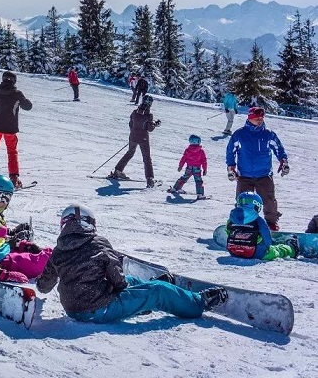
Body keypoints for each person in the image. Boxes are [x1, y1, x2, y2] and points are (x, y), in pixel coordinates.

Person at [36, 204, 228, 323]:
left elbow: (43, 287)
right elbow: (118, 281)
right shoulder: (97, 242)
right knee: (158, 291)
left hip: (73, 310)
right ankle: (198, 303)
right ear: (89, 223)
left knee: (133, 280)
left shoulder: (58, 251)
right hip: (99, 309)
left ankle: (145, 296)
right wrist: (124, 288)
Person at [226, 106, 288, 231]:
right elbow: (230, 151)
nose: (259, 120)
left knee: (268, 199)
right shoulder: (239, 134)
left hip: (264, 174)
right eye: (256, 118)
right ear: (250, 118)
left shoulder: (268, 134)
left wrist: (283, 161)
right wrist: (231, 167)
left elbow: (278, 148)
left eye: (261, 118)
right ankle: (241, 221)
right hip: (244, 175)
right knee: (243, 200)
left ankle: (271, 223)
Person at [223, 192, 299, 260]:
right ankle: (292, 250)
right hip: (257, 253)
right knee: (277, 251)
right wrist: (270, 245)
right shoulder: (258, 220)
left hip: (234, 252)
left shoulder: (231, 219)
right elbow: (267, 240)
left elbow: (228, 232)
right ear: (256, 206)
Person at [108, 94, 161, 188]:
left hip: (133, 136)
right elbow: (149, 129)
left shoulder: (134, 112)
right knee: (147, 158)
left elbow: (131, 124)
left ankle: (118, 171)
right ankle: (149, 180)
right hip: (143, 138)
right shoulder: (149, 115)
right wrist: (155, 124)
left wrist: (134, 133)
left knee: (130, 153)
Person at [168, 134, 208, 199]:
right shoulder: (201, 151)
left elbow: (183, 158)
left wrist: (180, 166)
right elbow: (204, 161)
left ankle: (175, 188)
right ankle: (200, 194)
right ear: (199, 142)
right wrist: (205, 169)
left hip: (189, 168)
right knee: (198, 181)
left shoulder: (188, 150)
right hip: (197, 169)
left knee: (184, 178)